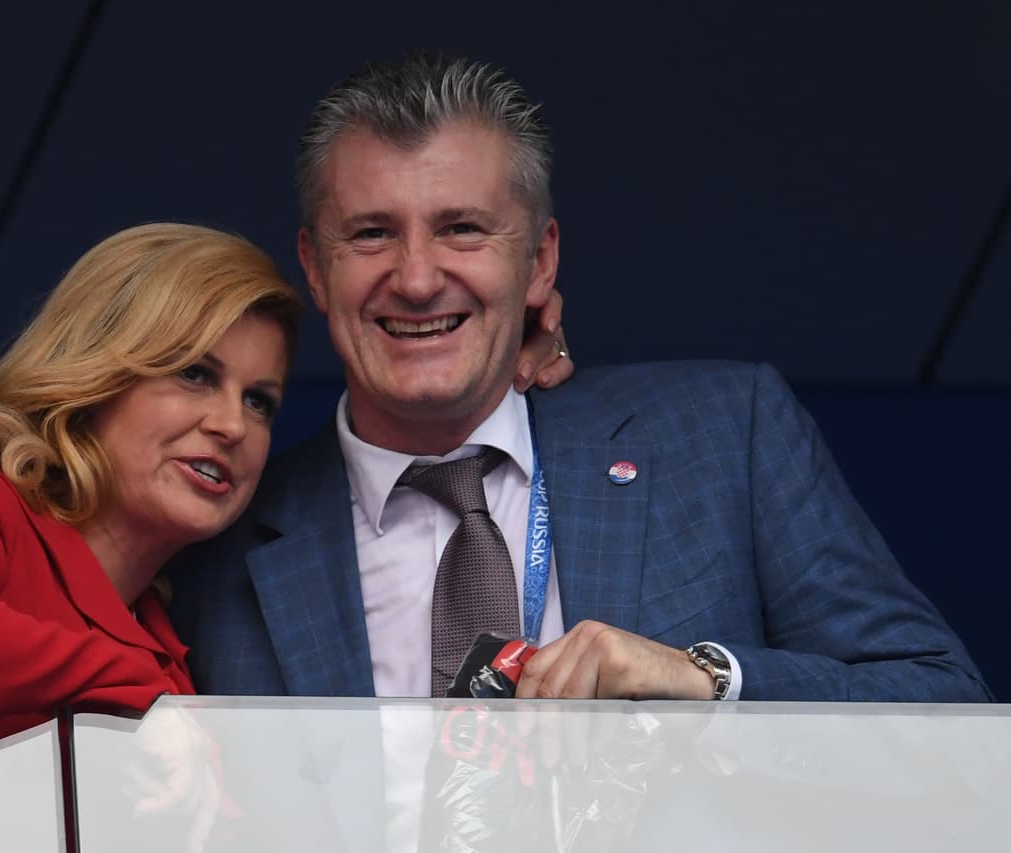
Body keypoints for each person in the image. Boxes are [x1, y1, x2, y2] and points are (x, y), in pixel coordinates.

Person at [167, 54, 991, 702]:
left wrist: (711, 681)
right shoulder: (216, 547)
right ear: (316, 265)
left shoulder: (724, 433)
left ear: (540, 259)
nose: (417, 279)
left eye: (463, 229)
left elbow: (943, 704)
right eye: (373, 234)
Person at [0, 221, 571, 767]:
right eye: (195, 373)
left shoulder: (171, 638)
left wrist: (491, 355)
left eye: (259, 400)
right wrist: (144, 696)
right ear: (99, 373)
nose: (231, 423)